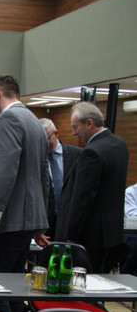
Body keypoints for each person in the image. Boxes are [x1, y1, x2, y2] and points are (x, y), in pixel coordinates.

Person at [0, 75, 49, 312]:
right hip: (27, 221)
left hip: (8, 220)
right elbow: (44, 177)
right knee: (16, 284)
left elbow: (3, 175)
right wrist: (39, 224)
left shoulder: (8, 118)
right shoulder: (35, 122)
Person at [53, 102, 128, 272]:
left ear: (89, 123)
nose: (73, 133)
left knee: (82, 283)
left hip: (88, 238)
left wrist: (69, 238)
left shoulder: (92, 153)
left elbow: (82, 199)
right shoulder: (119, 144)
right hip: (111, 236)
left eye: (75, 127)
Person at [39, 118, 81, 239]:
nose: (43, 144)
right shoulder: (35, 159)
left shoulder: (78, 155)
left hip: (70, 221)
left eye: (46, 139)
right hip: (45, 223)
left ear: (56, 134)